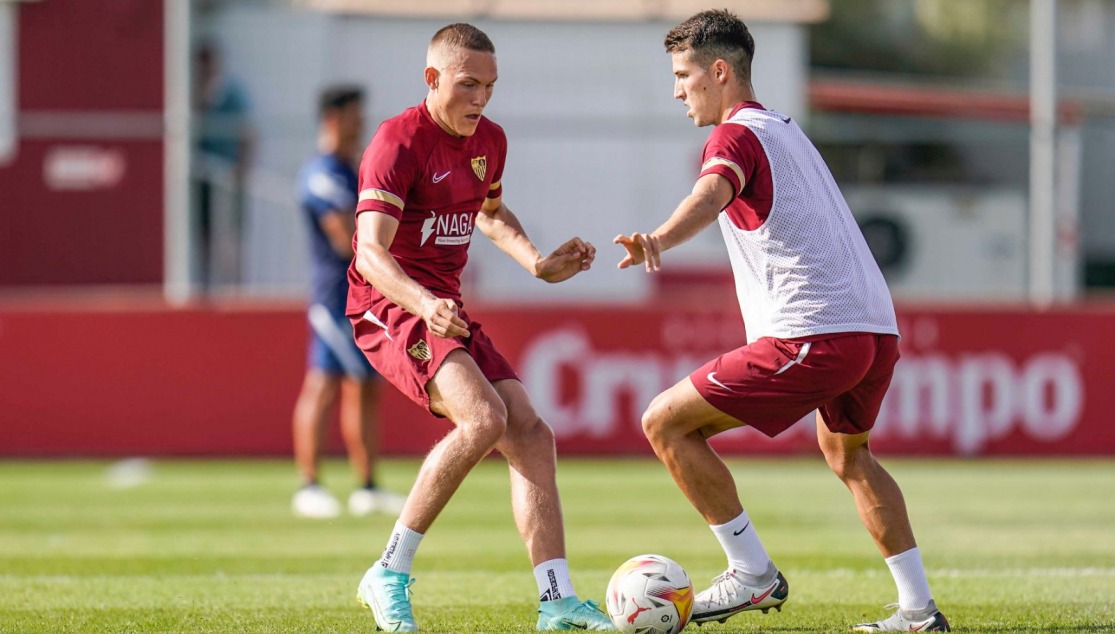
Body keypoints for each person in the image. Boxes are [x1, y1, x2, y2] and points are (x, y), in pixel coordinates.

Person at [613, 10, 950, 633]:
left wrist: (658, 238)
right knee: (851, 458)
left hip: (814, 332)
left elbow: (710, 193)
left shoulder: (734, 136)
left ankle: (751, 575)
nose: (677, 89)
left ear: (720, 72)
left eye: (684, 74)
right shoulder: (785, 129)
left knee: (663, 423)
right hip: (874, 332)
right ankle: (918, 611)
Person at [346, 23, 614, 632]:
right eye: (468, 85)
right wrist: (420, 302)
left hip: (444, 307)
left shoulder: (489, 140)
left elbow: (491, 215)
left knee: (531, 432)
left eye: (490, 86)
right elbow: (369, 253)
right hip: (388, 307)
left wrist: (538, 261)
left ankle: (557, 601)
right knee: (485, 418)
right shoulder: (396, 143)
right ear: (432, 78)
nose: (481, 99)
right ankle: (387, 571)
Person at [292, 85, 407, 520]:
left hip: (361, 294)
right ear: (334, 119)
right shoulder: (322, 173)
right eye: (356, 116)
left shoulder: (348, 168)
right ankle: (310, 484)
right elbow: (346, 237)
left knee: (363, 385)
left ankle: (367, 485)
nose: (363, 123)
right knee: (326, 384)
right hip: (335, 295)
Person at [193, 40, 254, 290]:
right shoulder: (193, 92)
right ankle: (206, 286)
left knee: (231, 234)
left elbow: (246, 132)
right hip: (203, 179)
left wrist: (241, 168)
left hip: (228, 177)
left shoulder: (232, 92)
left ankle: (233, 287)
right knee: (205, 232)